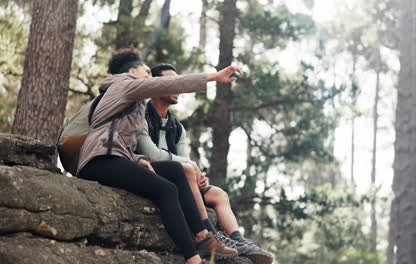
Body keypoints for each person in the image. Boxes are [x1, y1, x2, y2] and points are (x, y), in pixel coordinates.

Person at [77, 49, 243, 264]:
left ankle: (203, 237)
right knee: (166, 189)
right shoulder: (124, 84)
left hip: (114, 157)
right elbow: (168, 84)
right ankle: (193, 259)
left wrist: (139, 159)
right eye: (147, 71)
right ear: (131, 70)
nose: (150, 76)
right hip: (100, 160)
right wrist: (214, 77)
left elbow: (122, 142)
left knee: (176, 170)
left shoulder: (131, 100)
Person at [136, 63, 274, 264]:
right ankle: (209, 235)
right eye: (172, 83)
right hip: (152, 174)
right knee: (186, 169)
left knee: (218, 194)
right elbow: (152, 154)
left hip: (181, 178)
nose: (178, 88)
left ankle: (239, 240)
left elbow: (184, 157)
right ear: (156, 86)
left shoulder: (177, 126)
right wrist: (191, 167)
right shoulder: (142, 116)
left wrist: (198, 175)